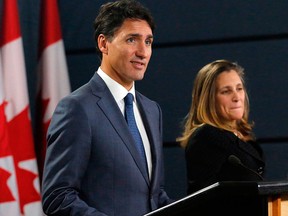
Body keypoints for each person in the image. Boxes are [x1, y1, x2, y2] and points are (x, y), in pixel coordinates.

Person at [41, 0, 172, 215]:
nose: (143, 52)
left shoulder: (152, 110)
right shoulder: (77, 108)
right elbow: (58, 196)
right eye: (132, 40)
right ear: (104, 43)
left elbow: (154, 195)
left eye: (148, 42)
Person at [177, 59, 265, 195]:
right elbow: (201, 200)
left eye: (239, 88)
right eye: (226, 91)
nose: (237, 97)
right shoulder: (206, 137)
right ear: (209, 99)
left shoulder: (242, 135)